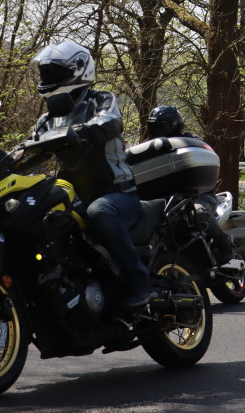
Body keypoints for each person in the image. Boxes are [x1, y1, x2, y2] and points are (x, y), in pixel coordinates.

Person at [32, 40, 154, 309]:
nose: (46, 78)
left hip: (118, 194)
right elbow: (29, 152)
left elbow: (109, 121)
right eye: (45, 73)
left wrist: (81, 132)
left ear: (78, 70)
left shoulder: (101, 100)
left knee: (100, 212)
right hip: (75, 197)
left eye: (53, 73)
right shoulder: (46, 120)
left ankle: (137, 282)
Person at [145, 104, 235, 265]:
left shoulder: (191, 141)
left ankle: (225, 244)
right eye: (154, 125)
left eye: (161, 125)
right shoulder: (150, 148)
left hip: (198, 195)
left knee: (198, 214)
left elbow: (207, 156)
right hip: (167, 200)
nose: (157, 130)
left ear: (174, 125)